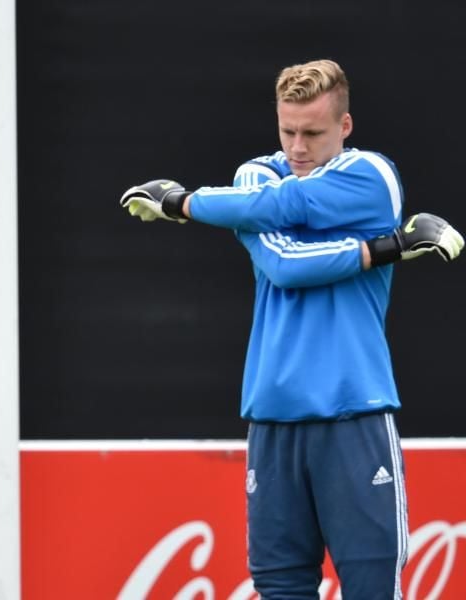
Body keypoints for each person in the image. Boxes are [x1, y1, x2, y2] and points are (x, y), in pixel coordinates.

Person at [120, 59, 463, 598]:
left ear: (344, 127)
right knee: (280, 587)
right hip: (273, 415)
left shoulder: (372, 175)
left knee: (373, 587)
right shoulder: (255, 175)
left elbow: (284, 210)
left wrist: (184, 203)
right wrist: (386, 248)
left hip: (356, 409)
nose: (298, 147)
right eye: (288, 131)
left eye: (313, 132)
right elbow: (284, 263)